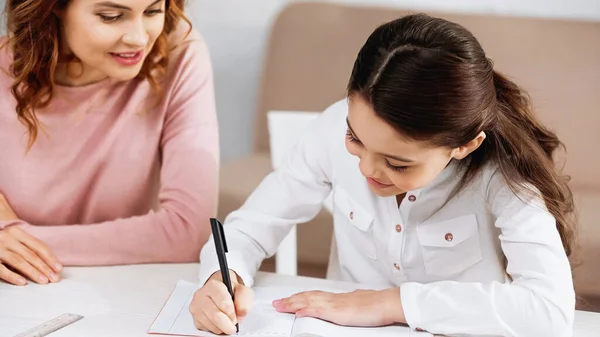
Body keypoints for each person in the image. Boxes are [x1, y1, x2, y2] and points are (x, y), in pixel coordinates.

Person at [189, 13, 577, 337]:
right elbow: (250, 227)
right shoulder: (327, 128)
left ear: (464, 146)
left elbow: (549, 310)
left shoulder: (503, 175)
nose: (366, 169)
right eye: (354, 138)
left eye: (398, 163)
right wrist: (221, 278)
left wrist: (389, 304)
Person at [0, 0, 219, 286]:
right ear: (54, 7)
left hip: (126, 289)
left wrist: (15, 240)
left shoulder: (177, 55)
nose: (139, 38)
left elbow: (189, 232)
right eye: (111, 16)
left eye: (153, 11)